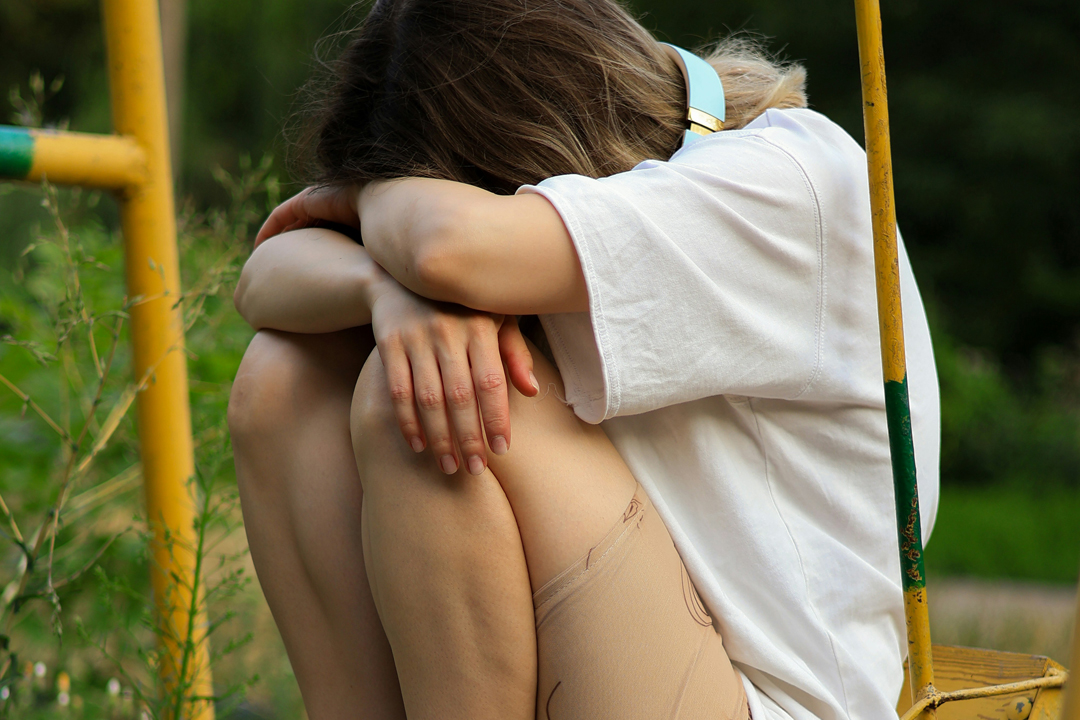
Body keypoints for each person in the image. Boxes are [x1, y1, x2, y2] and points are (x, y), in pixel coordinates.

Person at [227, 0, 941, 718]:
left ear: (525, 151)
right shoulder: (577, 203)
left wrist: (366, 200)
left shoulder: (792, 178)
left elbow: (444, 250)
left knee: (422, 393)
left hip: (770, 699)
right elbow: (267, 274)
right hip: (618, 651)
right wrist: (384, 292)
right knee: (285, 378)